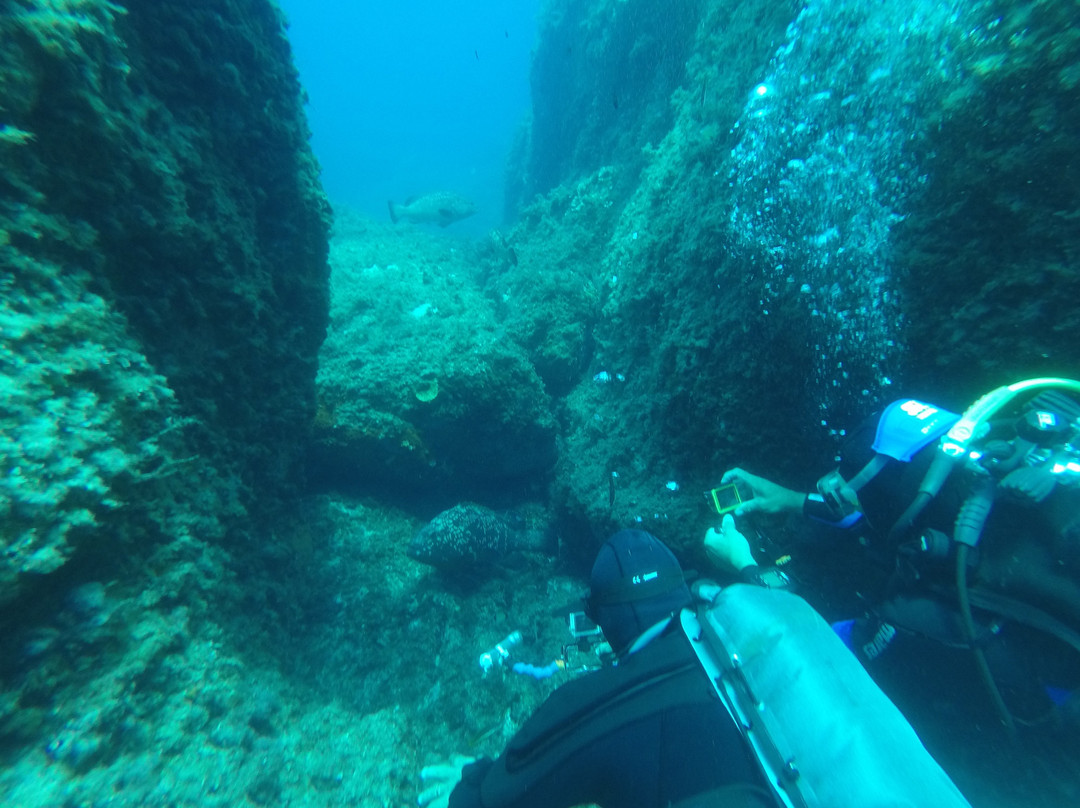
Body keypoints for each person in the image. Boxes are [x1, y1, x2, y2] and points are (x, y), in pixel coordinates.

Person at [418, 526, 972, 808]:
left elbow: (501, 796)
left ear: (600, 619)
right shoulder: (773, 634)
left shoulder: (610, 699)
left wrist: (471, 782)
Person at [713, 379, 1080, 731]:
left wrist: (743, 563)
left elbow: (813, 648)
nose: (835, 490)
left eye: (855, 495)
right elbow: (888, 519)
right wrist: (793, 500)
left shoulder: (911, 618)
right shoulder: (1002, 475)